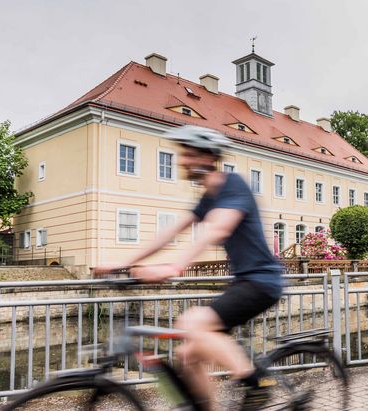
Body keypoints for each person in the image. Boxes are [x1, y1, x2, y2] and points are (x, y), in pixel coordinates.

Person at [96, 125, 283, 410]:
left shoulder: (233, 185)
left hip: (262, 282)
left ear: (207, 157)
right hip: (243, 282)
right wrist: (125, 264)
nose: (181, 160)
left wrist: (174, 266)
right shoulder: (208, 198)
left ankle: (256, 382)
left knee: (191, 323)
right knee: (188, 354)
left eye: (188, 154)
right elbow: (170, 233)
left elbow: (216, 229)